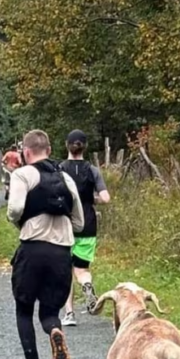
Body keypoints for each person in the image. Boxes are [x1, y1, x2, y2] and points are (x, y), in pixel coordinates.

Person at [7, 129, 84, 359]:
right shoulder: (66, 178)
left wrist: (21, 220)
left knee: (24, 308)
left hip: (32, 249)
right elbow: (80, 223)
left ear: (26, 152)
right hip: (61, 252)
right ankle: (54, 330)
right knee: (50, 311)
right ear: (49, 151)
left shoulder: (22, 174)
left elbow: (15, 209)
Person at [58, 129, 111, 327]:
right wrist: (91, 199)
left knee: (64, 271)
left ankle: (69, 314)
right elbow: (105, 198)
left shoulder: (60, 169)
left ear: (67, 145)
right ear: (85, 147)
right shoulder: (93, 170)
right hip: (88, 224)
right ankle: (86, 285)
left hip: (65, 225)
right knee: (81, 269)